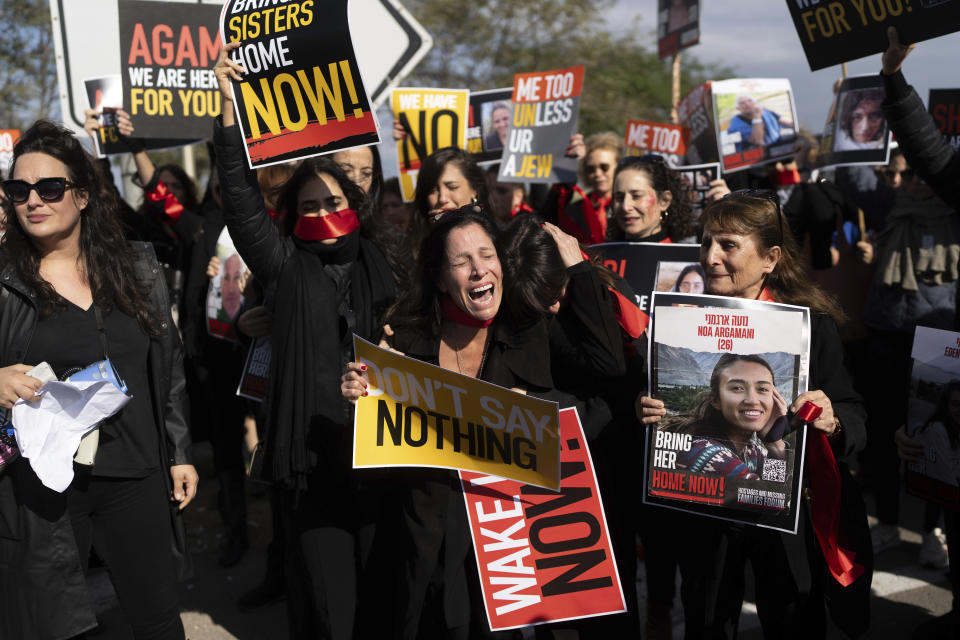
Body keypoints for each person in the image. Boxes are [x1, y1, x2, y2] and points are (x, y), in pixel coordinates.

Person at [214, 42, 406, 639]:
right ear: (292, 216)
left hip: (381, 456)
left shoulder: (386, 264)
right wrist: (227, 107)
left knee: (383, 601)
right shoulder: (282, 265)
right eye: (309, 205)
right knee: (331, 608)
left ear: (356, 204)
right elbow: (241, 199)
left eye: (334, 201)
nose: (323, 212)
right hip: (311, 460)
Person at [637, 191, 871, 639]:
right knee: (707, 619)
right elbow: (651, 399)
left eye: (727, 245)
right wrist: (645, 407)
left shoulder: (810, 325)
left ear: (770, 258)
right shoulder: (677, 321)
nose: (710, 257)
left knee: (792, 620)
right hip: (704, 509)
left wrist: (831, 420)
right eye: (705, 243)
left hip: (786, 512)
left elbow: (854, 413)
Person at [0, 120, 196, 639]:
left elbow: (168, 369)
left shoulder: (137, 268)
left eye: (50, 188)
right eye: (18, 190)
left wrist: (180, 452)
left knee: (157, 620)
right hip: (43, 484)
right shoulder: (3, 279)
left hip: (135, 473)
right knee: (52, 626)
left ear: (83, 196)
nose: (33, 201)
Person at [341, 207, 554, 638]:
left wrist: (534, 408)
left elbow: (592, 401)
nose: (478, 270)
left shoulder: (533, 330)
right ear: (439, 278)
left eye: (486, 255)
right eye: (461, 262)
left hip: (502, 544)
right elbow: (376, 442)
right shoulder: (404, 337)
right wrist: (360, 393)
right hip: (423, 540)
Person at [660, 354, 788, 479]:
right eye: (738, 388)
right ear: (716, 400)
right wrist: (776, 448)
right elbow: (770, 497)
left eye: (763, 389)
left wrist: (773, 443)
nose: (753, 400)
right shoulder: (711, 457)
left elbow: (777, 484)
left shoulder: (751, 449)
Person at [607, 154, 698, 243]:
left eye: (636, 196)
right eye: (619, 197)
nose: (625, 207)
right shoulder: (600, 255)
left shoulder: (680, 256)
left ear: (664, 201)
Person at [727, 94, 794, 153]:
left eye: (750, 100)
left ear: (755, 103)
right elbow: (758, 141)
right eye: (742, 103)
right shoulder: (735, 123)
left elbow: (785, 121)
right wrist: (757, 117)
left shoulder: (766, 112)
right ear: (738, 108)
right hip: (754, 156)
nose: (747, 104)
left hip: (776, 147)